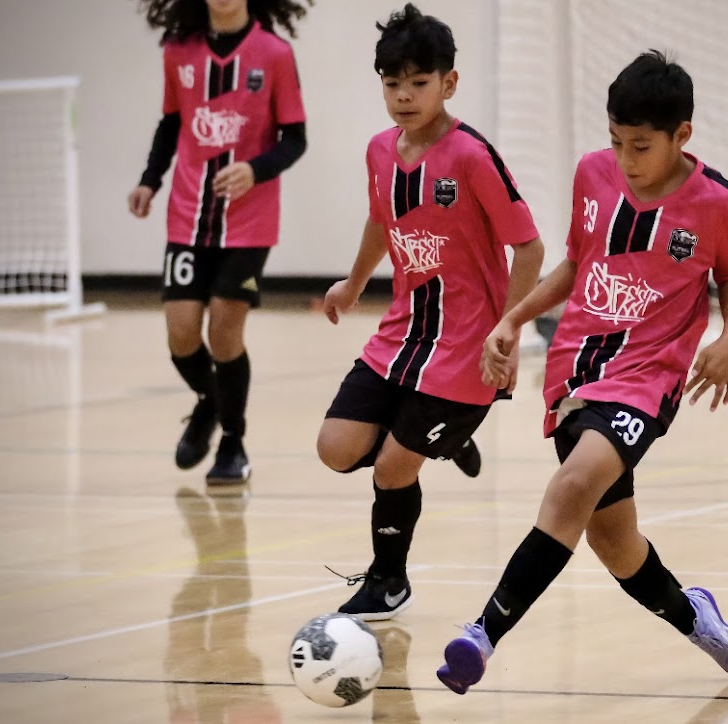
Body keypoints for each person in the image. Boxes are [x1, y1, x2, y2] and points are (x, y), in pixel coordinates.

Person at [436, 50, 728, 694]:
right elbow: (575, 263)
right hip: (575, 371)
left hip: (648, 377)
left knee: (571, 485)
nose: (625, 159)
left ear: (681, 135)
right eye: (616, 141)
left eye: (641, 146)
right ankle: (696, 619)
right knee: (616, 545)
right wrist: (514, 318)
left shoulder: (716, 202)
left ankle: (482, 635)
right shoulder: (592, 174)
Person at [316, 3, 544, 621]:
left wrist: (509, 329)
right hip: (403, 334)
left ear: (449, 83)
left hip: (467, 347)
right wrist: (353, 284)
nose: (404, 95)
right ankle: (441, 441)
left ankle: (388, 582)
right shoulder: (378, 151)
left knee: (393, 466)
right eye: (392, 83)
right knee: (335, 448)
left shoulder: (471, 156)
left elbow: (529, 247)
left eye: (419, 82)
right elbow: (380, 218)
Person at [128, 0, 311, 484]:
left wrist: (255, 169)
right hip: (188, 216)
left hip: (249, 221)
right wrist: (149, 180)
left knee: (225, 333)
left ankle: (232, 441)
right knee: (181, 334)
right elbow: (171, 123)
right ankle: (211, 401)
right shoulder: (178, 51)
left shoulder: (274, 53)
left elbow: (295, 139)